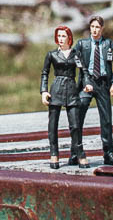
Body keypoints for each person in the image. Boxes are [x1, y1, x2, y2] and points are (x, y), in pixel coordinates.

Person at [71, 14, 113, 167]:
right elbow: (73, 60)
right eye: (92, 27)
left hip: (102, 84)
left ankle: (108, 153)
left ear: (102, 28)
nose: (94, 30)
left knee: (106, 120)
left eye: (97, 27)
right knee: (78, 116)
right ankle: (75, 152)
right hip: (86, 84)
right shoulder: (82, 44)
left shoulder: (108, 44)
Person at [40, 25, 84, 169]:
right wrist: (44, 91)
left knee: (75, 125)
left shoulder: (76, 54)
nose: (60, 39)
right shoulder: (52, 54)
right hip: (57, 89)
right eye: (58, 36)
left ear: (69, 38)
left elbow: (83, 72)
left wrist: (81, 87)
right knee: (53, 124)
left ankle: (80, 152)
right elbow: (45, 73)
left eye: (63, 36)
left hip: (71, 89)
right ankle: (54, 153)